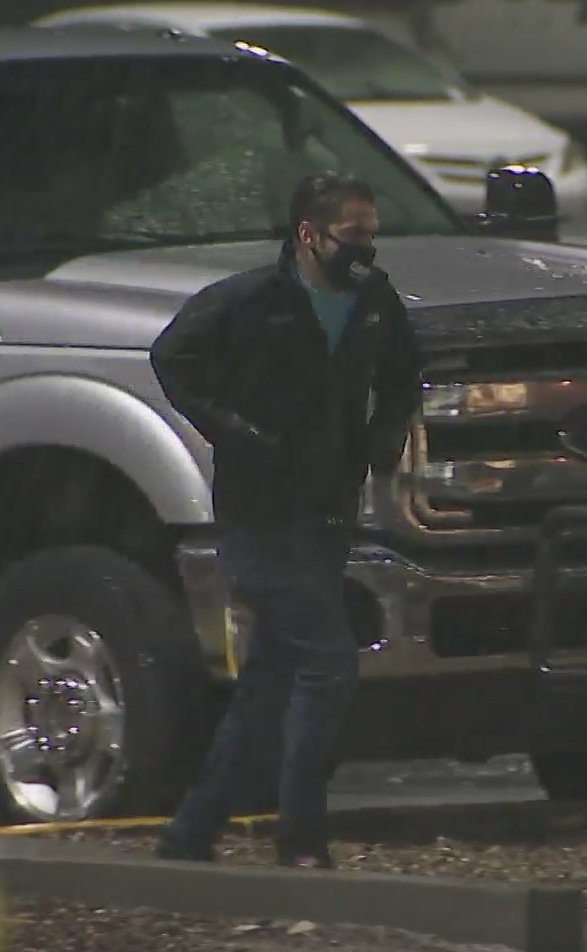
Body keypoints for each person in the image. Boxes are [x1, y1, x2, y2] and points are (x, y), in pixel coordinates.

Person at [148, 173, 423, 868]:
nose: (364, 250)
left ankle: (190, 832)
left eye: (370, 235)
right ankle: (301, 835)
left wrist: (384, 437)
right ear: (310, 235)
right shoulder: (249, 301)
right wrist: (236, 431)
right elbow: (173, 357)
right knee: (328, 663)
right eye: (352, 236)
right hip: (260, 515)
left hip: (328, 508)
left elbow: (403, 373)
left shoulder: (372, 300)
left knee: (271, 676)